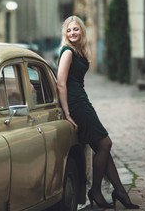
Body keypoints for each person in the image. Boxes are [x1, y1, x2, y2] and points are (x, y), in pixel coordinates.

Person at [57, 15, 139, 209]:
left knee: (102, 147)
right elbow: (60, 84)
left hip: (82, 101)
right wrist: (67, 114)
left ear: (82, 31)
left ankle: (119, 192)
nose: (72, 33)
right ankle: (96, 191)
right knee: (105, 143)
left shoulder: (79, 50)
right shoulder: (67, 52)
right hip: (76, 105)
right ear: (65, 34)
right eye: (68, 30)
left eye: (75, 29)